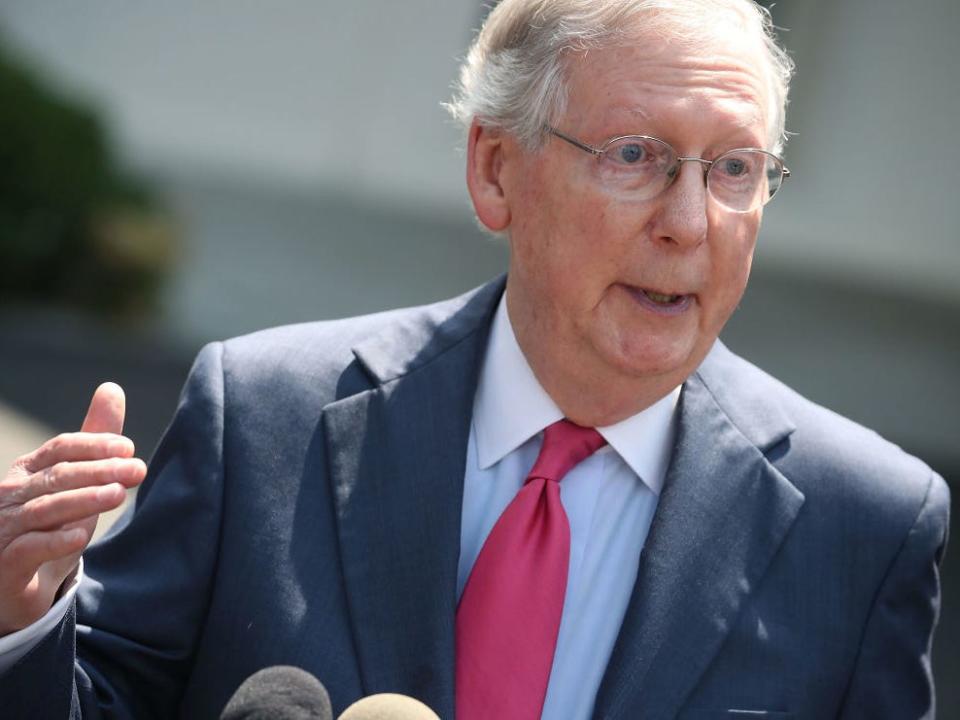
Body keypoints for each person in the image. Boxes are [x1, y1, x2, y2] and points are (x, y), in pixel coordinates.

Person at [0, 0, 950, 717]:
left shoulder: (865, 528)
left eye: (734, 169)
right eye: (635, 154)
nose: (691, 222)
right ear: (496, 170)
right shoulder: (262, 417)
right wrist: (20, 617)